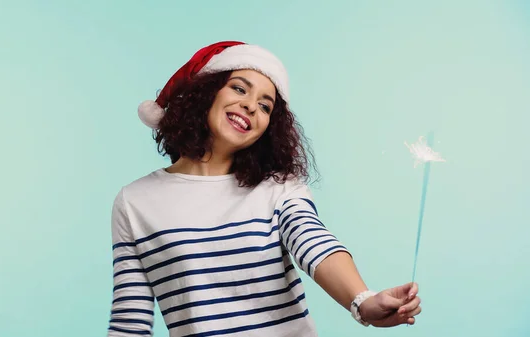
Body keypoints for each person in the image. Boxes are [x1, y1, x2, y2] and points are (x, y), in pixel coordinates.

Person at [108, 41, 421, 337]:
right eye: (239, 88)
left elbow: (314, 243)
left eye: (265, 106)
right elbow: (129, 321)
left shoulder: (279, 189)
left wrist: (363, 302)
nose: (250, 106)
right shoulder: (135, 201)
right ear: (205, 94)